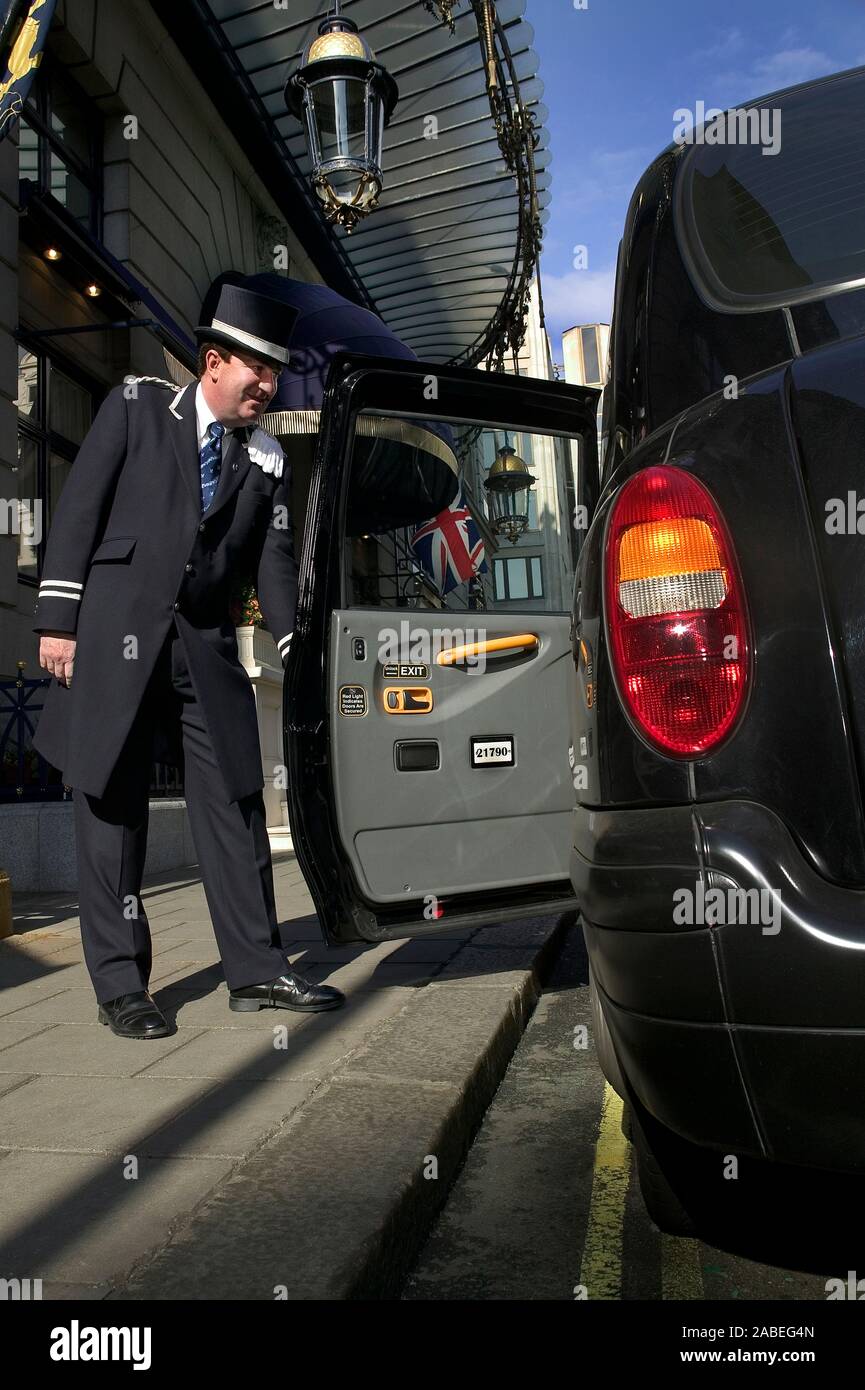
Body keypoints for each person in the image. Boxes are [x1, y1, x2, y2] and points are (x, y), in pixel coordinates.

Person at [31, 282, 345, 1038]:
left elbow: (271, 568)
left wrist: (298, 647)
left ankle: (258, 968)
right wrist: (58, 620)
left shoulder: (266, 458)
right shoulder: (138, 407)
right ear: (213, 362)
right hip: (113, 635)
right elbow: (80, 508)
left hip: (203, 651)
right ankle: (122, 986)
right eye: (258, 371)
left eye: (276, 375)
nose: (268, 387)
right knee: (111, 805)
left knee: (237, 799)